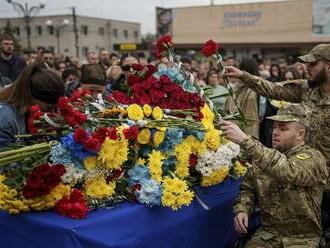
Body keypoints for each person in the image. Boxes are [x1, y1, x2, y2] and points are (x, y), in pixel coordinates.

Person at [224, 43, 330, 239]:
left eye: (313, 64)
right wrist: (243, 76)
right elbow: (273, 89)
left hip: (321, 177)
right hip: (296, 168)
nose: (307, 68)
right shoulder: (306, 89)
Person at [221, 103, 328, 248]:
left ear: (301, 134)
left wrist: (246, 141)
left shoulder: (313, 158)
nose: (275, 132)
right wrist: (243, 209)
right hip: (268, 236)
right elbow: (248, 188)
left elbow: (289, 171)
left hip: (303, 239)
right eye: (275, 127)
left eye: (283, 128)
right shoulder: (265, 158)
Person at [0, 62, 65, 148]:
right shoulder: (6, 119)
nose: (51, 113)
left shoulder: (23, 110)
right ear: (31, 97)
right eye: (49, 107)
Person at [224, 58, 260, 139]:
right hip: (247, 132)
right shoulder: (254, 91)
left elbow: (226, 111)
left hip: (232, 129)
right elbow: (252, 120)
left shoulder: (233, 89)